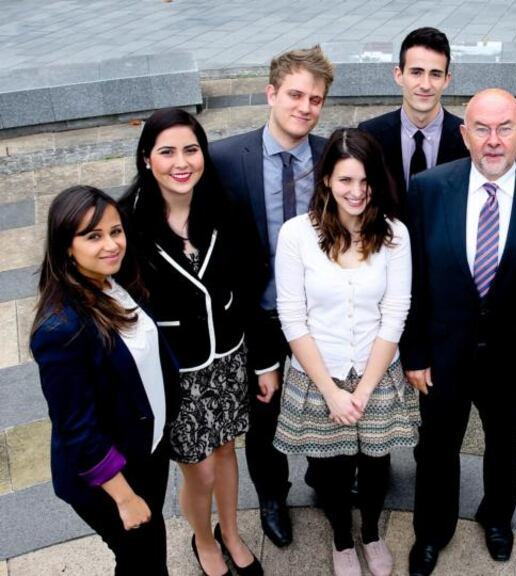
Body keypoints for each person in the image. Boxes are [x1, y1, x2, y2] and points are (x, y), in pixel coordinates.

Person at [401, 88, 516, 576]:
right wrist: (414, 352)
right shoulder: (429, 188)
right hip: (443, 353)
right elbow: (413, 278)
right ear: (465, 134)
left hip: (512, 355)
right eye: (482, 128)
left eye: (504, 129)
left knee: (503, 444)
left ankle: (498, 517)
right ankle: (431, 531)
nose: (493, 140)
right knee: (437, 447)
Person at [120, 108, 265, 576]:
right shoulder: (126, 222)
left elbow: (249, 279)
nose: (181, 163)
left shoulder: (224, 206)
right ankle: (203, 539)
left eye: (191, 150)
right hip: (175, 370)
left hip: (228, 357)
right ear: (147, 158)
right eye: (167, 152)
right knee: (198, 469)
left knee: (226, 452)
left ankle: (231, 533)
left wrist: (263, 360)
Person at [272, 128, 419, 576]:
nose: (356, 191)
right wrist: (332, 392)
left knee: (376, 464)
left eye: (365, 180)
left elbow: (395, 314)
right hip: (320, 374)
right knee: (330, 469)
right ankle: (341, 539)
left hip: (376, 372)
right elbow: (292, 316)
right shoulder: (297, 235)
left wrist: (366, 389)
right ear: (327, 181)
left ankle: (371, 532)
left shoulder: (394, 235)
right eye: (345, 180)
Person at [210, 45, 335, 548]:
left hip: (320, 316)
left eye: (315, 99)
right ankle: (272, 496)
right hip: (257, 315)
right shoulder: (224, 159)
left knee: (326, 402)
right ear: (271, 93)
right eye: (295, 95)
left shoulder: (333, 156)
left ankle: (325, 480)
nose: (305, 107)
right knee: (264, 415)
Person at [31, 185, 180, 575]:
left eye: (116, 231)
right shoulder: (61, 329)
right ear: (66, 246)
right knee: (141, 563)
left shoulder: (113, 281)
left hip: (145, 451)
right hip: (110, 478)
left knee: (148, 552)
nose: (111, 245)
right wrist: (125, 499)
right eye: (93, 236)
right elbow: (77, 430)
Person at [358, 27, 469, 209]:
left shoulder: (467, 138)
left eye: (435, 74)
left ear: (447, 80)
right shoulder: (369, 135)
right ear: (399, 75)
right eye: (416, 72)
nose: (425, 85)